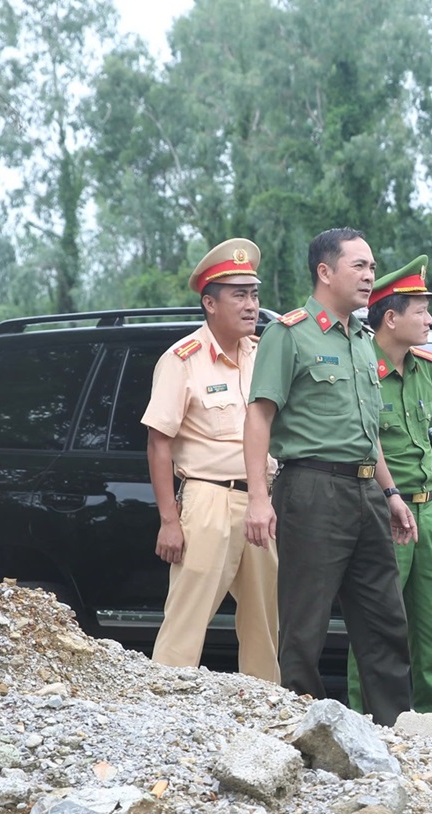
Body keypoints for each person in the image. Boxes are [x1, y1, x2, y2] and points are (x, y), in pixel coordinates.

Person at [242, 227, 416, 726]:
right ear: (325, 272)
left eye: (372, 266)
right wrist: (259, 498)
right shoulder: (289, 333)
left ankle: (391, 730)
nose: (370, 275)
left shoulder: (363, 340)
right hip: (312, 489)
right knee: (305, 624)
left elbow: (368, 429)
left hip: (366, 492)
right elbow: (259, 416)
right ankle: (305, 731)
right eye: (359, 266)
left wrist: (391, 492)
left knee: (385, 619)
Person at [140, 238, 280, 682]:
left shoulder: (264, 356)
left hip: (260, 503)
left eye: (254, 294)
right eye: (238, 295)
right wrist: (168, 520)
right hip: (207, 502)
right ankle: (161, 714)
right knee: (186, 622)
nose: (251, 304)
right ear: (209, 302)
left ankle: (265, 714)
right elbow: (158, 443)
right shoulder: (183, 361)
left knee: (265, 625)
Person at [345, 256, 432, 716]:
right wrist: (391, 498)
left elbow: (428, 441)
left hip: (426, 510)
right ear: (390, 318)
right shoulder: (361, 370)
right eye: (420, 310)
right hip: (381, 510)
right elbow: (365, 442)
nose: (430, 319)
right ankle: (365, 716)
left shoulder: (426, 368)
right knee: (376, 623)